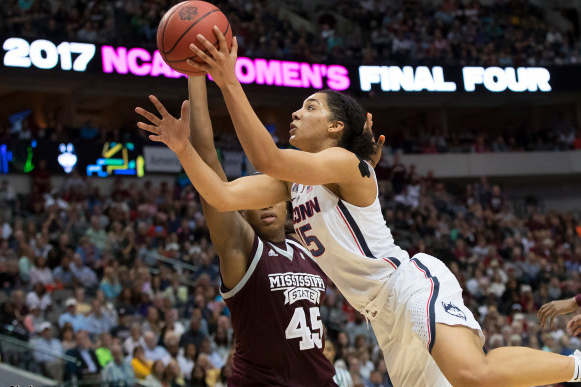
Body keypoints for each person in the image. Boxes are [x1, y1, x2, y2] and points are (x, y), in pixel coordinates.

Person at [137, 28, 581, 387]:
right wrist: (182, 149)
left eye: (308, 106)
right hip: (382, 317)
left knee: (471, 373)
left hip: (407, 284)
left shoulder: (345, 164)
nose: (295, 113)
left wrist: (227, 79)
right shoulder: (292, 185)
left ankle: (577, 367)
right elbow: (221, 196)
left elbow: (267, 157)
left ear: (334, 127)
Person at [134, 75, 373, 386]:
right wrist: (194, 75)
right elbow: (208, 159)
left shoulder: (308, 245)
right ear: (242, 211)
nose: (266, 205)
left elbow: (341, 189)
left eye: (273, 197)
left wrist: (359, 144)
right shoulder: (241, 248)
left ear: (289, 203)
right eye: (256, 201)